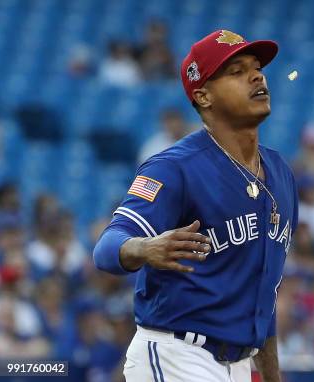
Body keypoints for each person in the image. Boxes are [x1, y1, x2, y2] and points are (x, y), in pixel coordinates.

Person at [93, 29, 298, 382]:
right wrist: (144, 247)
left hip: (238, 365)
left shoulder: (280, 172)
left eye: (256, 67)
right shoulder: (175, 167)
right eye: (236, 71)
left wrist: (272, 376)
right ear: (203, 96)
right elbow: (106, 248)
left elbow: (264, 290)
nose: (256, 75)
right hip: (177, 355)